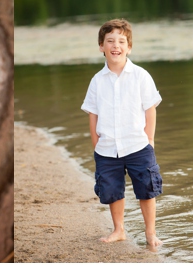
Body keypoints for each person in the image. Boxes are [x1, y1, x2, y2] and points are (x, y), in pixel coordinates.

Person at [80, 19, 163, 249]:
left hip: (138, 145)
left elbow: (150, 109)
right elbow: (93, 114)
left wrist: (150, 140)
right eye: (110, 41)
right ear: (101, 46)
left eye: (121, 41)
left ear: (129, 47)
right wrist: (96, 143)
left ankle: (150, 232)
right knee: (111, 189)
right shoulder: (97, 81)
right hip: (106, 147)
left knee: (147, 188)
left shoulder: (140, 75)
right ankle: (119, 229)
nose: (115, 45)